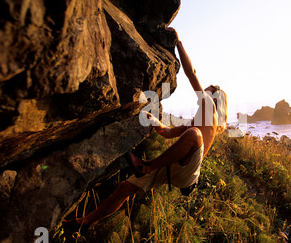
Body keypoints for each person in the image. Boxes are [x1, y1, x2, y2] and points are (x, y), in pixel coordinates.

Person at [64, 28, 227, 230]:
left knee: (194, 135)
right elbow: (167, 133)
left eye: (209, 89)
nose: (205, 90)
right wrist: (153, 120)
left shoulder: (209, 109)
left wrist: (179, 43)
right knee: (124, 188)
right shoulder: (195, 123)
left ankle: (146, 166)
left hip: (188, 174)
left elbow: (191, 73)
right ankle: (83, 223)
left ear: (215, 98)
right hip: (174, 168)